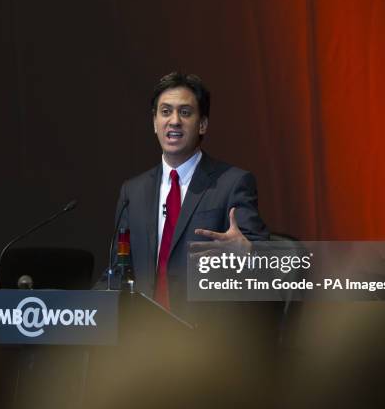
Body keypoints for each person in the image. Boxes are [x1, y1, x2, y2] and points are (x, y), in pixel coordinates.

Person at [113, 72, 269, 319]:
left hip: (202, 341)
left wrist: (248, 253)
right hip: (143, 340)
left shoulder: (232, 183)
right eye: (165, 112)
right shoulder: (133, 191)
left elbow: (268, 267)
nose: (174, 121)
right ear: (154, 123)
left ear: (202, 124)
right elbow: (118, 270)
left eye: (185, 112)